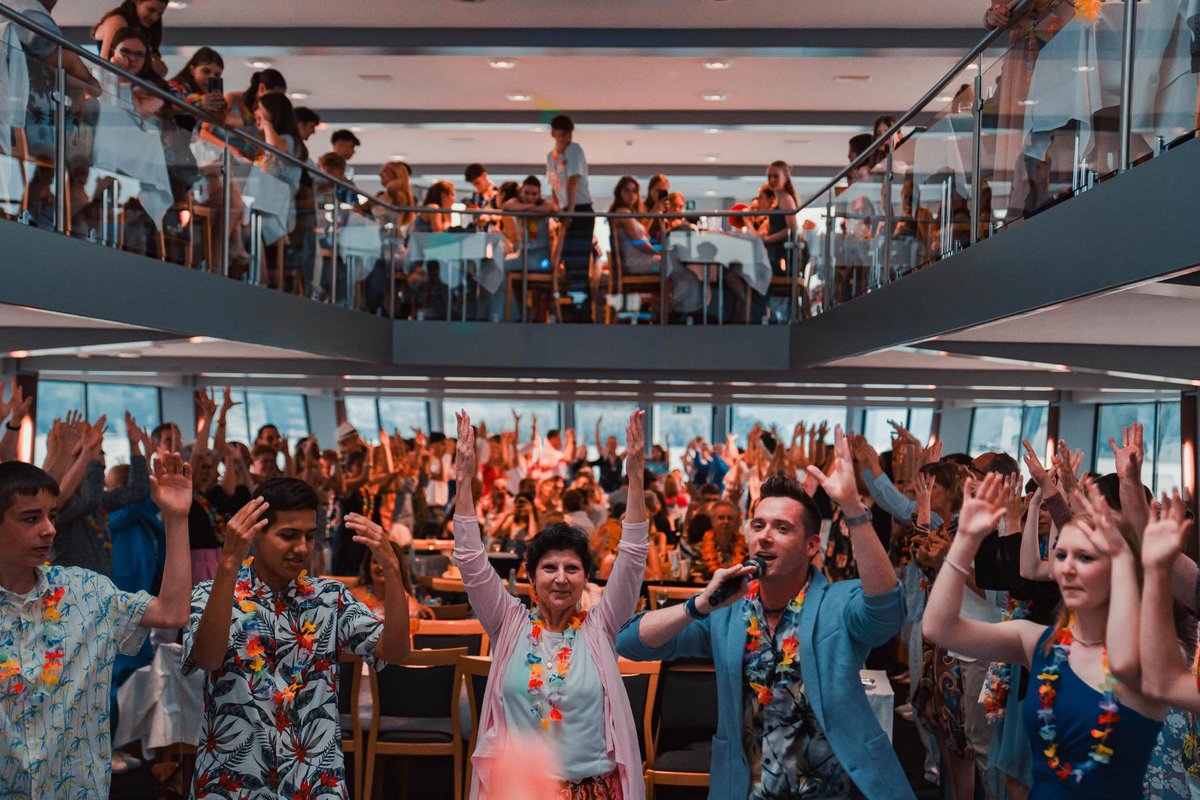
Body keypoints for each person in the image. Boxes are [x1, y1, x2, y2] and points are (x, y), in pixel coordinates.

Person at [617, 427, 911, 799]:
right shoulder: (728, 613)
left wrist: (853, 509)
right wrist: (697, 606)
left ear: (811, 546)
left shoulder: (837, 604)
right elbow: (631, 642)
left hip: (831, 790)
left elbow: (886, 610)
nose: (765, 536)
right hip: (748, 790)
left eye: (782, 528)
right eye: (758, 526)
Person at [922, 474, 1166, 799]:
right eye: (1061, 555)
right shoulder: (1037, 642)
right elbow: (938, 627)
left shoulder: (1146, 660)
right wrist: (966, 538)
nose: (1067, 568)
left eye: (1085, 557)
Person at [453, 408, 649, 799]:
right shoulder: (509, 623)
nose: (561, 578)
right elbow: (471, 561)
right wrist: (463, 478)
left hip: (591, 791)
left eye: (572, 568)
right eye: (549, 568)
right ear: (531, 578)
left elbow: (631, 558)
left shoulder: (600, 627)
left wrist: (637, 476)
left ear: (586, 578)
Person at [183, 477, 412, 798]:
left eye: (309, 535)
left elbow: (397, 652)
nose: (302, 548)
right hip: (232, 782)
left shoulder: (330, 598)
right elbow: (207, 658)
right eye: (289, 535)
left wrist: (392, 567)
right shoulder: (210, 594)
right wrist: (229, 563)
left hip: (315, 782)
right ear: (256, 533)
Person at [0, 454, 193, 799]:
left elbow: (172, 613)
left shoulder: (85, 591)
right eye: (31, 518)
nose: (49, 529)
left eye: (52, 515)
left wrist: (176, 519)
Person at [546, 114, 594, 319]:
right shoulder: (552, 156)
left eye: (568, 134)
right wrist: (558, 210)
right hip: (567, 210)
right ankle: (570, 309)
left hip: (579, 209)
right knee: (568, 262)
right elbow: (555, 186)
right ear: (554, 133)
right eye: (562, 134)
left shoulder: (574, 150)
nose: (566, 138)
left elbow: (573, 181)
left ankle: (582, 311)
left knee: (579, 262)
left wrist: (570, 211)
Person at [92, 0, 167, 76]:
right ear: (137, 2)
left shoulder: (146, 30)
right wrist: (151, 66)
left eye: (159, 14)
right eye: (151, 10)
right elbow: (105, 64)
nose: (154, 17)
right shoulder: (117, 22)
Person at [608, 175, 661, 276]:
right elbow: (638, 242)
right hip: (638, 264)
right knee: (671, 263)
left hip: (641, 260)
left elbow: (642, 233)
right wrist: (657, 252)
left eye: (634, 191)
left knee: (672, 262)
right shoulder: (623, 213)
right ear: (619, 193)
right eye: (627, 191)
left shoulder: (628, 213)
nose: (631, 194)